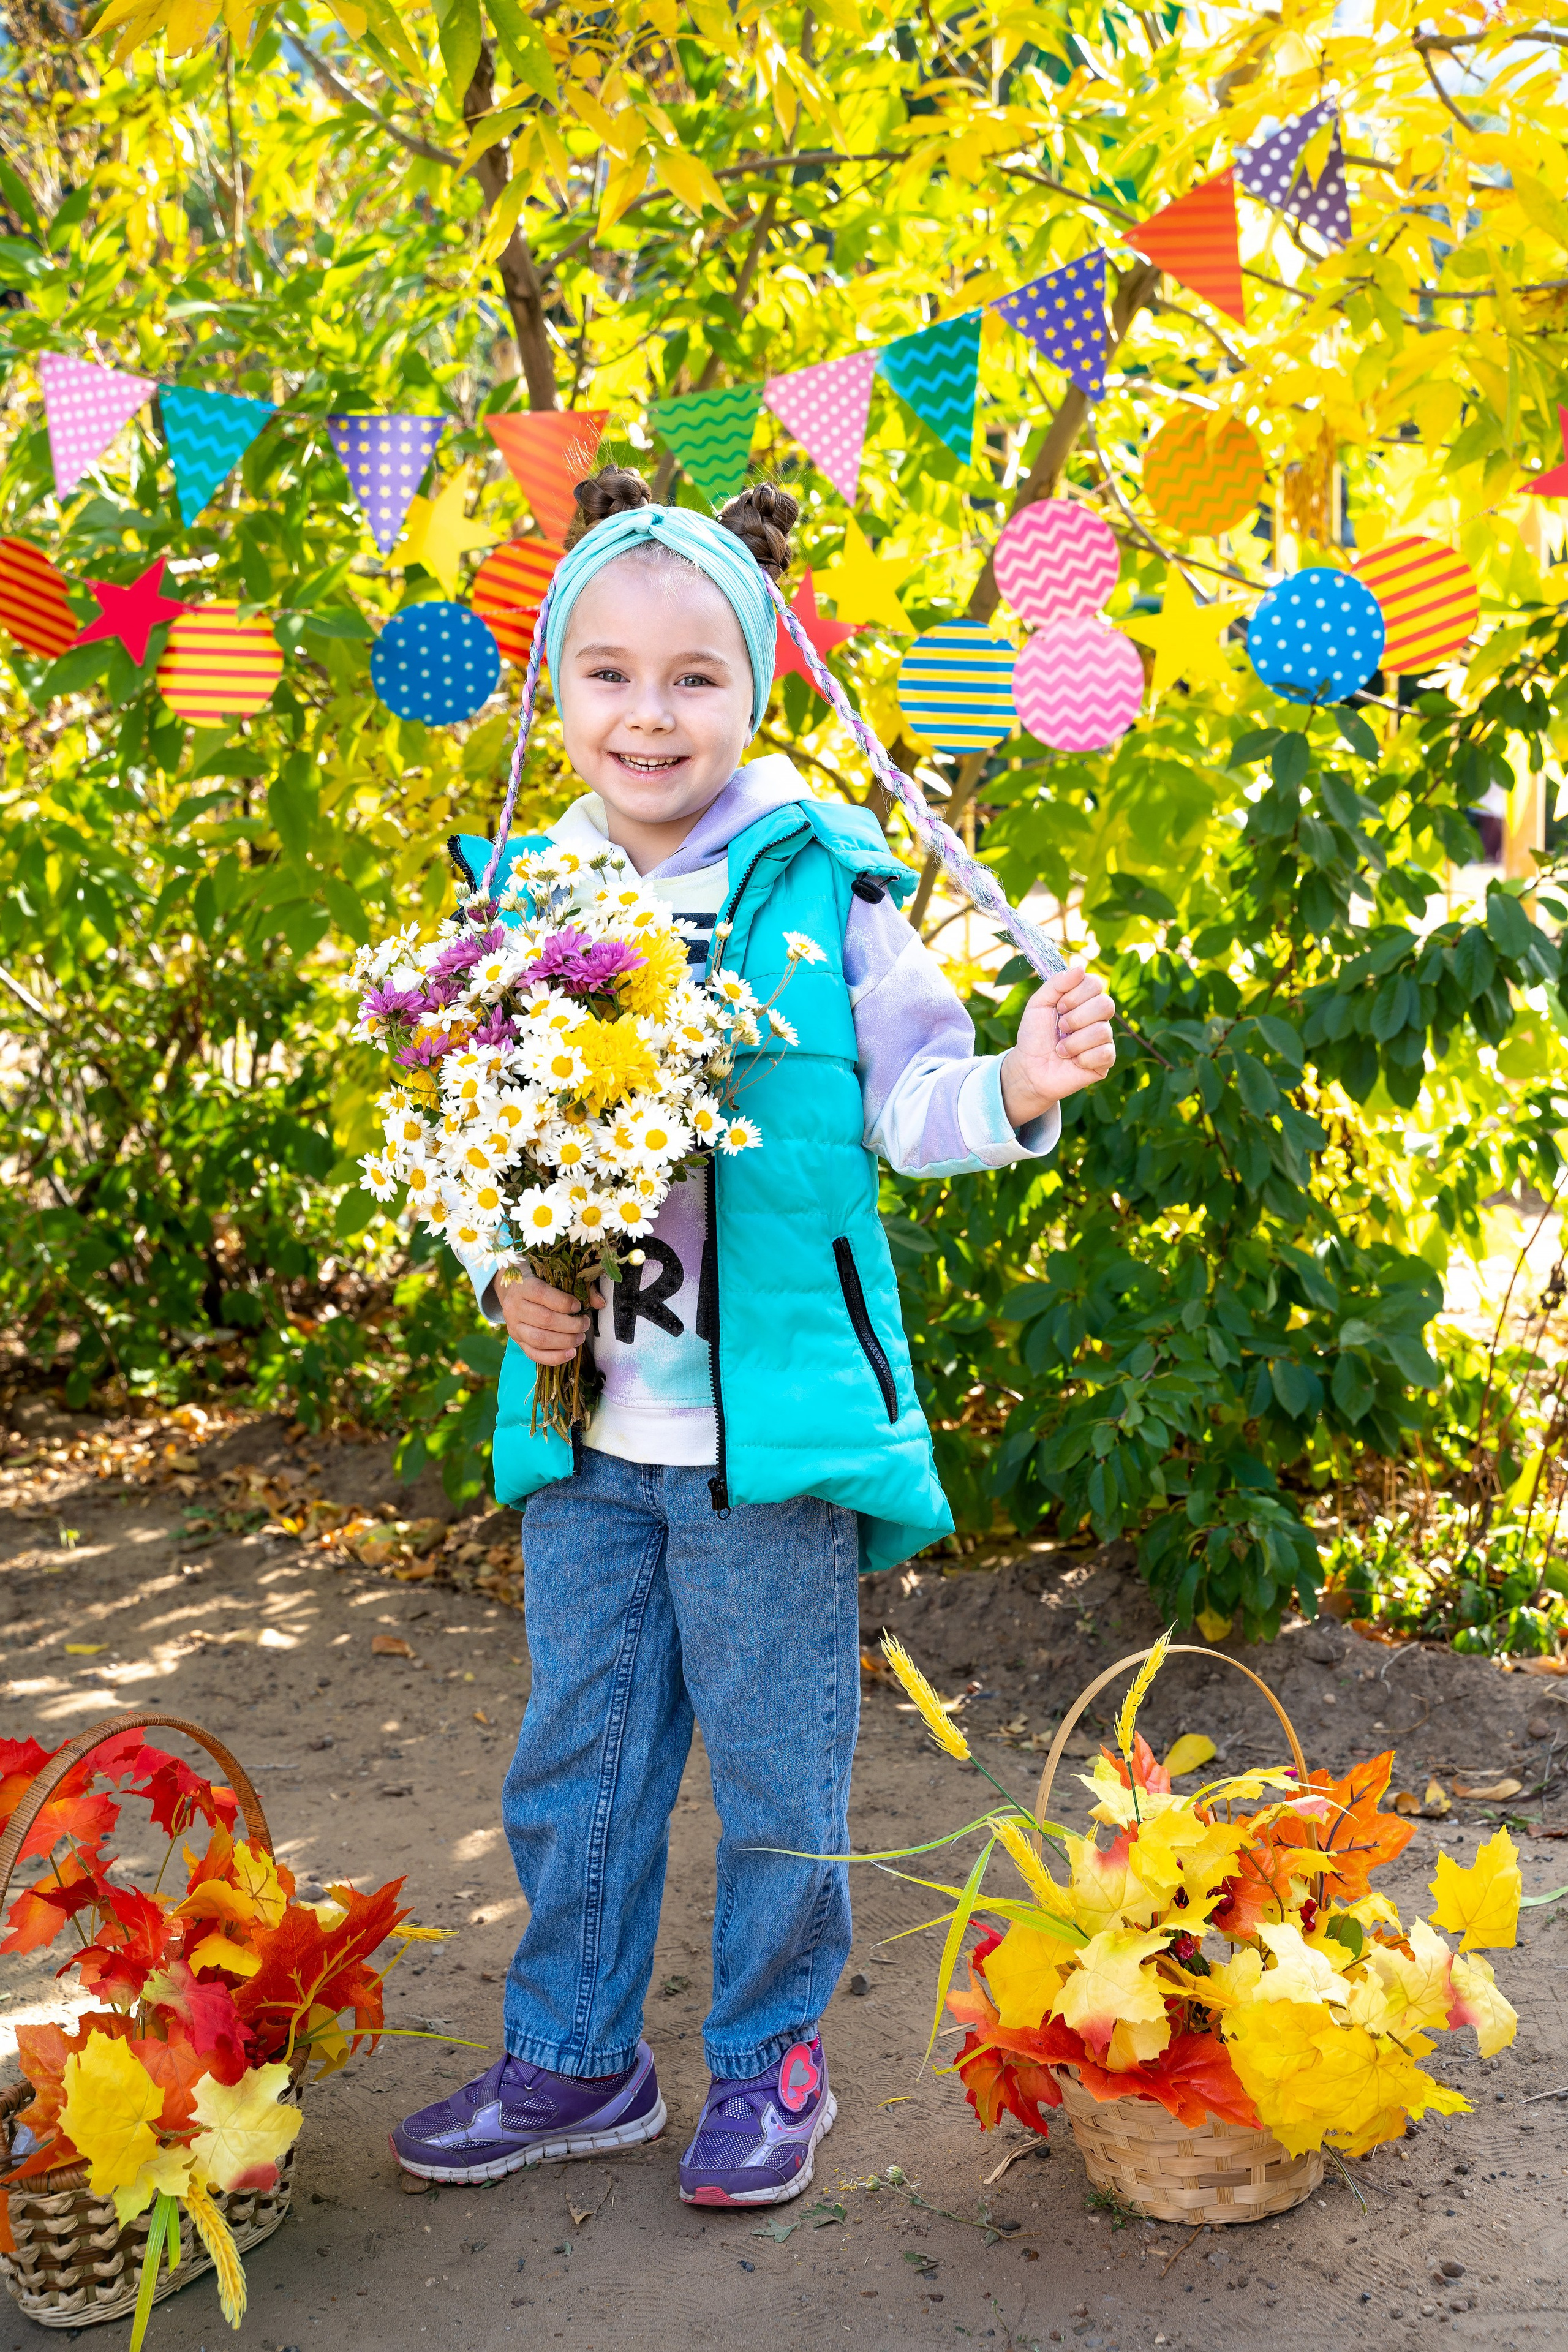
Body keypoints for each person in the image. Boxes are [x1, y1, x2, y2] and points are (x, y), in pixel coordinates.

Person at [391, 470, 1116, 2207]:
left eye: (694, 676)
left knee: (782, 1773)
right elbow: (471, 1147)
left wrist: (1018, 1081)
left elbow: (910, 1104)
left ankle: (771, 2059)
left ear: (757, 689)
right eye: (609, 674)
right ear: (557, 688)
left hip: (768, 1443)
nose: (649, 714)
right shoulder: (524, 898)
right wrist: (505, 1283)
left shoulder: (823, 888)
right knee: (576, 1763)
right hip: (588, 1433)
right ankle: (576, 2054)